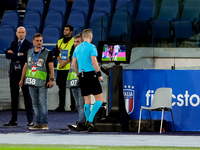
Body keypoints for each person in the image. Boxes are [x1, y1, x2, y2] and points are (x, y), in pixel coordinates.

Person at [19, 33, 54, 130]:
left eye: (41, 41)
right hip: (31, 81)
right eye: (37, 41)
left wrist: (51, 80)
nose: (39, 42)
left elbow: (51, 68)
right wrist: (22, 80)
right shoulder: (29, 52)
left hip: (42, 82)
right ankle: (38, 123)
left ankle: (45, 123)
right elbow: (26, 66)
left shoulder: (48, 53)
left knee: (43, 102)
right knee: (35, 103)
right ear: (33, 42)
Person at [72, 29, 104, 131]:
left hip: (82, 75)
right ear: (91, 36)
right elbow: (94, 62)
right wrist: (99, 74)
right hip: (91, 74)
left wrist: (78, 75)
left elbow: (73, 64)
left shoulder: (77, 48)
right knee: (99, 99)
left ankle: (88, 121)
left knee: (87, 101)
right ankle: (90, 120)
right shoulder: (92, 47)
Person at [3, 26, 34, 126]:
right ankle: (14, 120)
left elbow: (26, 57)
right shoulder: (13, 43)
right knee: (14, 97)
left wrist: (15, 55)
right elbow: (7, 55)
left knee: (27, 96)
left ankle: (30, 120)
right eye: (19, 32)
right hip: (14, 72)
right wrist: (18, 54)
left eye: (22, 32)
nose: (21, 34)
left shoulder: (29, 44)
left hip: (24, 73)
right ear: (16, 33)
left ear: (25, 33)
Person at [66, 33, 87, 131]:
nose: (75, 43)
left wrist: (80, 77)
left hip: (81, 81)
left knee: (82, 104)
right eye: (74, 42)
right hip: (73, 82)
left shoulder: (83, 53)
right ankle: (81, 121)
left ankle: (82, 123)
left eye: (77, 41)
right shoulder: (75, 52)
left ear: (82, 42)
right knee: (79, 104)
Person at [54, 24, 76, 112]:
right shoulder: (59, 41)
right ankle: (61, 106)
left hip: (70, 68)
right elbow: (56, 53)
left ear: (71, 32)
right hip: (61, 68)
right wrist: (61, 62)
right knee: (61, 88)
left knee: (72, 87)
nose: (65, 31)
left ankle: (73, 106)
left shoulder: (74, 41)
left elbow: (73, 55)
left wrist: (64, 63)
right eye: (64, 29)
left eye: (67, 30)